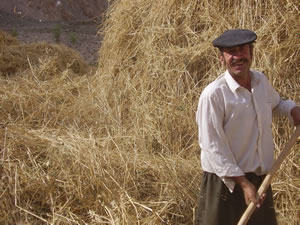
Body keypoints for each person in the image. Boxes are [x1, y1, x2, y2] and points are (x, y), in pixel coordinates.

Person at [194, 29, 300, 225]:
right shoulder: (214, 95)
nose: (238, 57)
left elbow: (275, 104)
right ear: (222, 59)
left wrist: (292, 109)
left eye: (242, 50)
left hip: (259, 180)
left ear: (252, 53)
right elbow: (213, 147)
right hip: (225, 183)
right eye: (231, 52)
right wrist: (243, 183)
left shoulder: (260, 82)